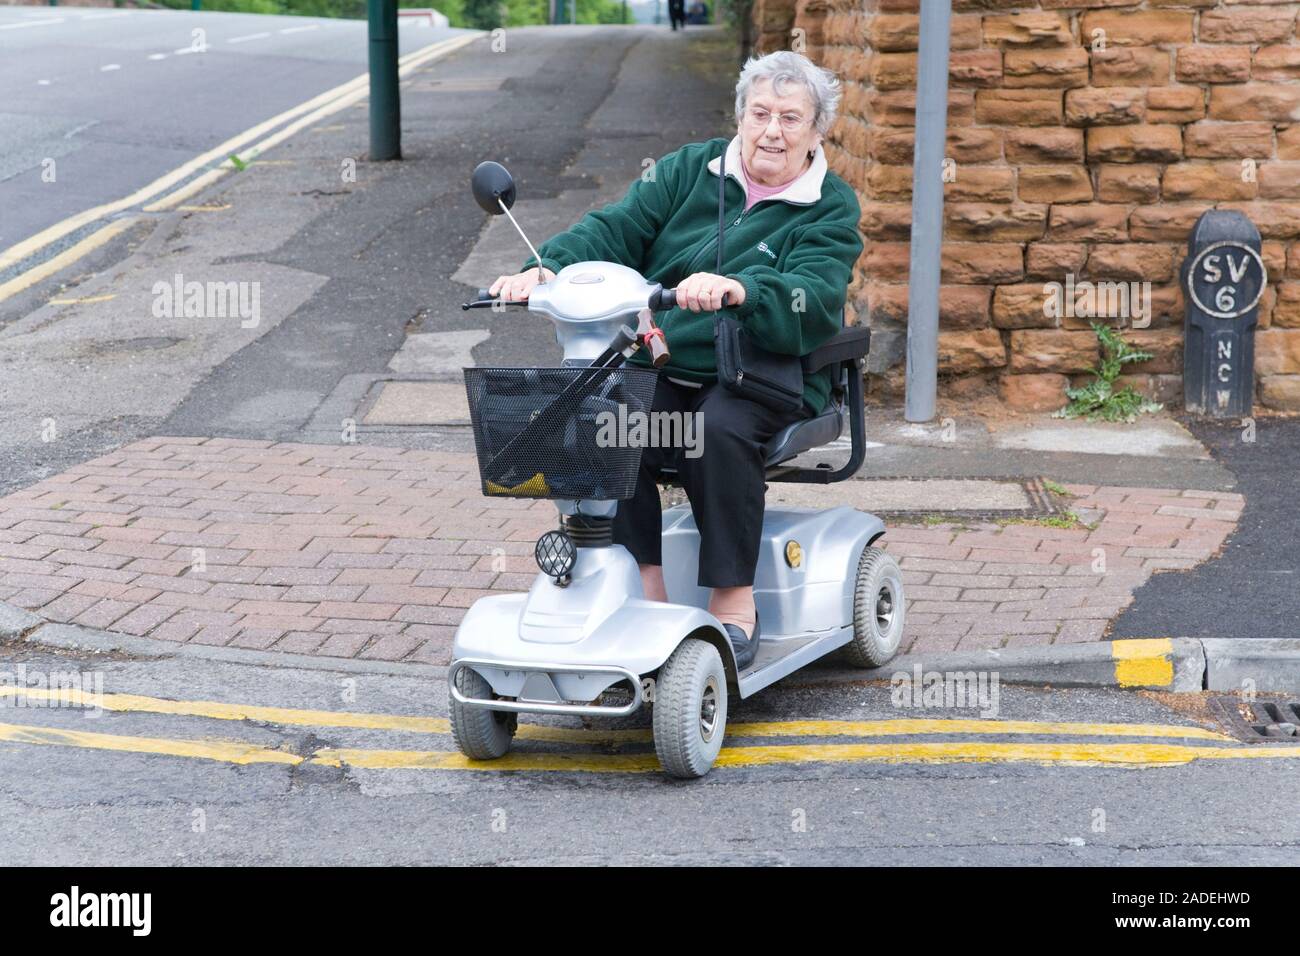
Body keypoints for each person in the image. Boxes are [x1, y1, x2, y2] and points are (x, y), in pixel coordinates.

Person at [487, 51, 864, 669]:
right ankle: (647, 588)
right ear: (741, 114)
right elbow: (614, 228)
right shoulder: (690, 169)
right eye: (761, 113)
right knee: (609, 413)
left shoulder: (830, 205)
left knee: (716, 428)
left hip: (762, 370)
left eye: (791, 118)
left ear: (816, 131)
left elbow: (817, 294)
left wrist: (745, 290)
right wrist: (546, 268)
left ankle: (734, 604)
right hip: (665, 362)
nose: (773, 130)